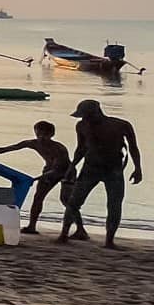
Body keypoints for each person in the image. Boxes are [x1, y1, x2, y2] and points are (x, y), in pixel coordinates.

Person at [57, 99, 143, 248]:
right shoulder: (81, 126)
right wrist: (72, 166)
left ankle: (109, 240)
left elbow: (133, 148)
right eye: (83, 116)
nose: (85, 119)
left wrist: (137, 168)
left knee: (114, 204)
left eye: (87, 115)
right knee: (74, 202)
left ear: (97, 112)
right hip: (90, 168)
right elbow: (81, 148)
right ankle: (63, 234)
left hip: (114, 169)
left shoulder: (121, 125)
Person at [0, 120, 73, 234]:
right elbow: (7, 148)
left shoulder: (59, 148)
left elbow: (59, 168)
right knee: (38, 197)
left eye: (45, 135)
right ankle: (32, 227)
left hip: (67, 172)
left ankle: (79, 229)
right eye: (38, 134)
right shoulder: (33, 143)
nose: (41, 138)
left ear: (51, 135)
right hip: (49, 169)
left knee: (66, 200)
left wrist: (36, 178)